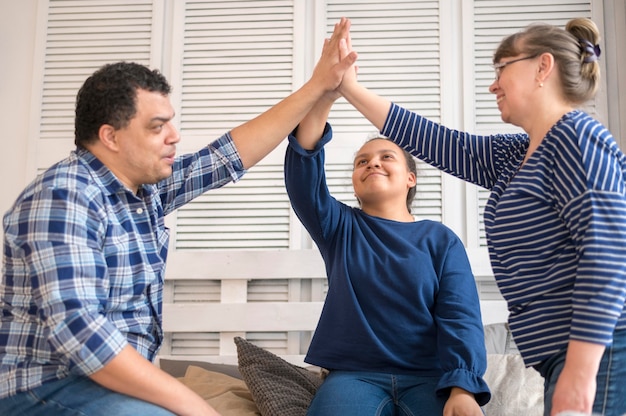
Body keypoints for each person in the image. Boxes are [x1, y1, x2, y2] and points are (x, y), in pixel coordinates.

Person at [0, 19, 357, 416]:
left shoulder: (142, 191)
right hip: (47, 389)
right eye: (157, 127)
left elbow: (226, 158)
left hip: (105, 388)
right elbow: (80, 332)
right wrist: (193, 405)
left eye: (171, 122)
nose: (174, 136)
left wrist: (318, 88)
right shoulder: (64, 196)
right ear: (111, 137)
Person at [337, 17, 626, 416]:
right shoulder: (514, 156)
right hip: (567, 354)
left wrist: (579, 377)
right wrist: (350, 88)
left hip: (604, 348)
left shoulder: (577, 138)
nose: (493, 84)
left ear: (543, 67)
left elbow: (609, 257)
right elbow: (431, 140)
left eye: (502, 68)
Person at [283, 36, 490, 415]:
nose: (372, 163)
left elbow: (460, 315)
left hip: (432, 377)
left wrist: (463, 387)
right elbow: (303, 171)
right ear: (354, 182)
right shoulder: (339, 227)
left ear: (411, 178)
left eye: (386, 157)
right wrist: (327, 92)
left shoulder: (440, 241)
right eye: (362, 161)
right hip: (352, 377)